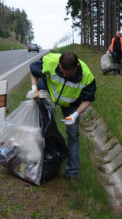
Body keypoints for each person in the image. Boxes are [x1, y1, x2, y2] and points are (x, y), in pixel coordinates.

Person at [28, 52, 96, 180]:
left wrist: (75, 115)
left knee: (73, 134)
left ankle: (72, 173)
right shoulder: (50, 61)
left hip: (71, 102)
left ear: (76, 66)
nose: (64, 75)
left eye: (68, 73)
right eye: (62, 71)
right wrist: (34, 89)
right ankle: (37, 161)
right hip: (47, 93)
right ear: (58, 63)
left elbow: (88, 100)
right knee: (43, 127)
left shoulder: (87, 77)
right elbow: (33, 70)